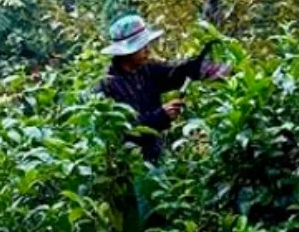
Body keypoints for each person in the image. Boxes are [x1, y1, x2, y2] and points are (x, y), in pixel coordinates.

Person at [96, 13, 226, 162]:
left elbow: (175, 73)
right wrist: (161, 115)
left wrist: (203, 68)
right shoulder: (107, 85)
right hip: (128, 163)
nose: (147, 51)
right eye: (142, 47)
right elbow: (121, 130)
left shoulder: (147, 70)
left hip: (155, 155)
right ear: (126, 52)